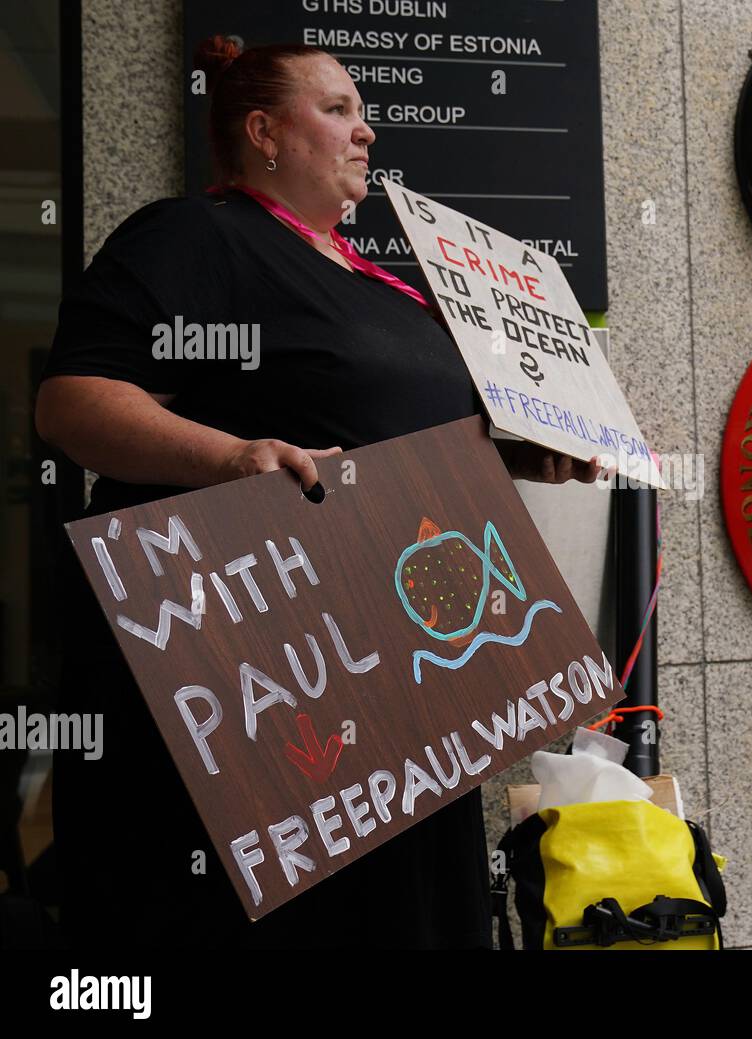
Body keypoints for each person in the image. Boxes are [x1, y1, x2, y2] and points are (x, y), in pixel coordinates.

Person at [34, 36, 598, 948]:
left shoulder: (388, 289)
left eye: (360, 109)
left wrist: (522, 452)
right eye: (336, 108)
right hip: (274, 690)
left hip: (408, 688)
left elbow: (397, 446)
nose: (366, 129)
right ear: (262, 132)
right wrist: (230, 457)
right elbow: (73, 400)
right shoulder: (197, 237)